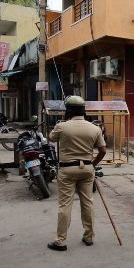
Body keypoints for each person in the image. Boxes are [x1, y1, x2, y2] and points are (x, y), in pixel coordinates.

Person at [47, 96, 106, 251]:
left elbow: (51, 138)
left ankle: (61, 241)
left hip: (67, 170)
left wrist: (60, 123)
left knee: (65, 205)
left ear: (69, 111)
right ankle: (89, 237)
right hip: (87, 169)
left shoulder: (62, 126)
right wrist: (93, 164)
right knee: (88, 203)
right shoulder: (95, 128)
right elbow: (103, 150)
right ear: (83, 110)